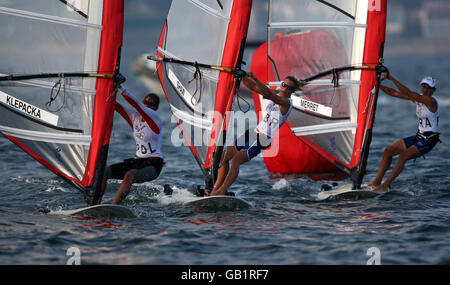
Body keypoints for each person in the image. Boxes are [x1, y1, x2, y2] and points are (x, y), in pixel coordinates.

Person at [208, 73, 299, 196]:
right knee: (222, 157)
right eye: (284, 85)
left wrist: (256, 78)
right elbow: (254, 88)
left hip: (264, 139)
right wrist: (242, 75)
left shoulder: (286, 103)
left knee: (236, 160)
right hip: (253, 132)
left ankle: (222, 190)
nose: (285, 89)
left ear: (293, 91)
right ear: (281, 85)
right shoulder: (277, 94)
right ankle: (215, 189)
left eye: (290, 88)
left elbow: (269, 94)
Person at [367, 75, 440, 193]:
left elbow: (410, 94)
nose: (426, 90)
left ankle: (385, 185)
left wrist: (392, 78)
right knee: (388, 151)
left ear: (433, 90)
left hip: (430, 139)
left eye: (429, 88)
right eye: (423, 87)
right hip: (419, 136)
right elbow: (394, 93)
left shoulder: (431, 101)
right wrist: (377, 85)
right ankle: (376, 182)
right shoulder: (419, 98)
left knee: (403, 156)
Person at [99, 85, 164, 204]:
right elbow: (114, 105)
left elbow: (136, 104)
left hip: (154, 165)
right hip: (137, 161)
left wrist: (120, 87)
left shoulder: (155, 118)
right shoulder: (135, 118)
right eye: (146, 102)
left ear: (156, 108)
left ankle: (114, 206)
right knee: (104, 171)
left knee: (129, 175)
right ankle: (95, 203)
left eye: (151, 104)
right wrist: (105, 88)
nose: (147, 105)